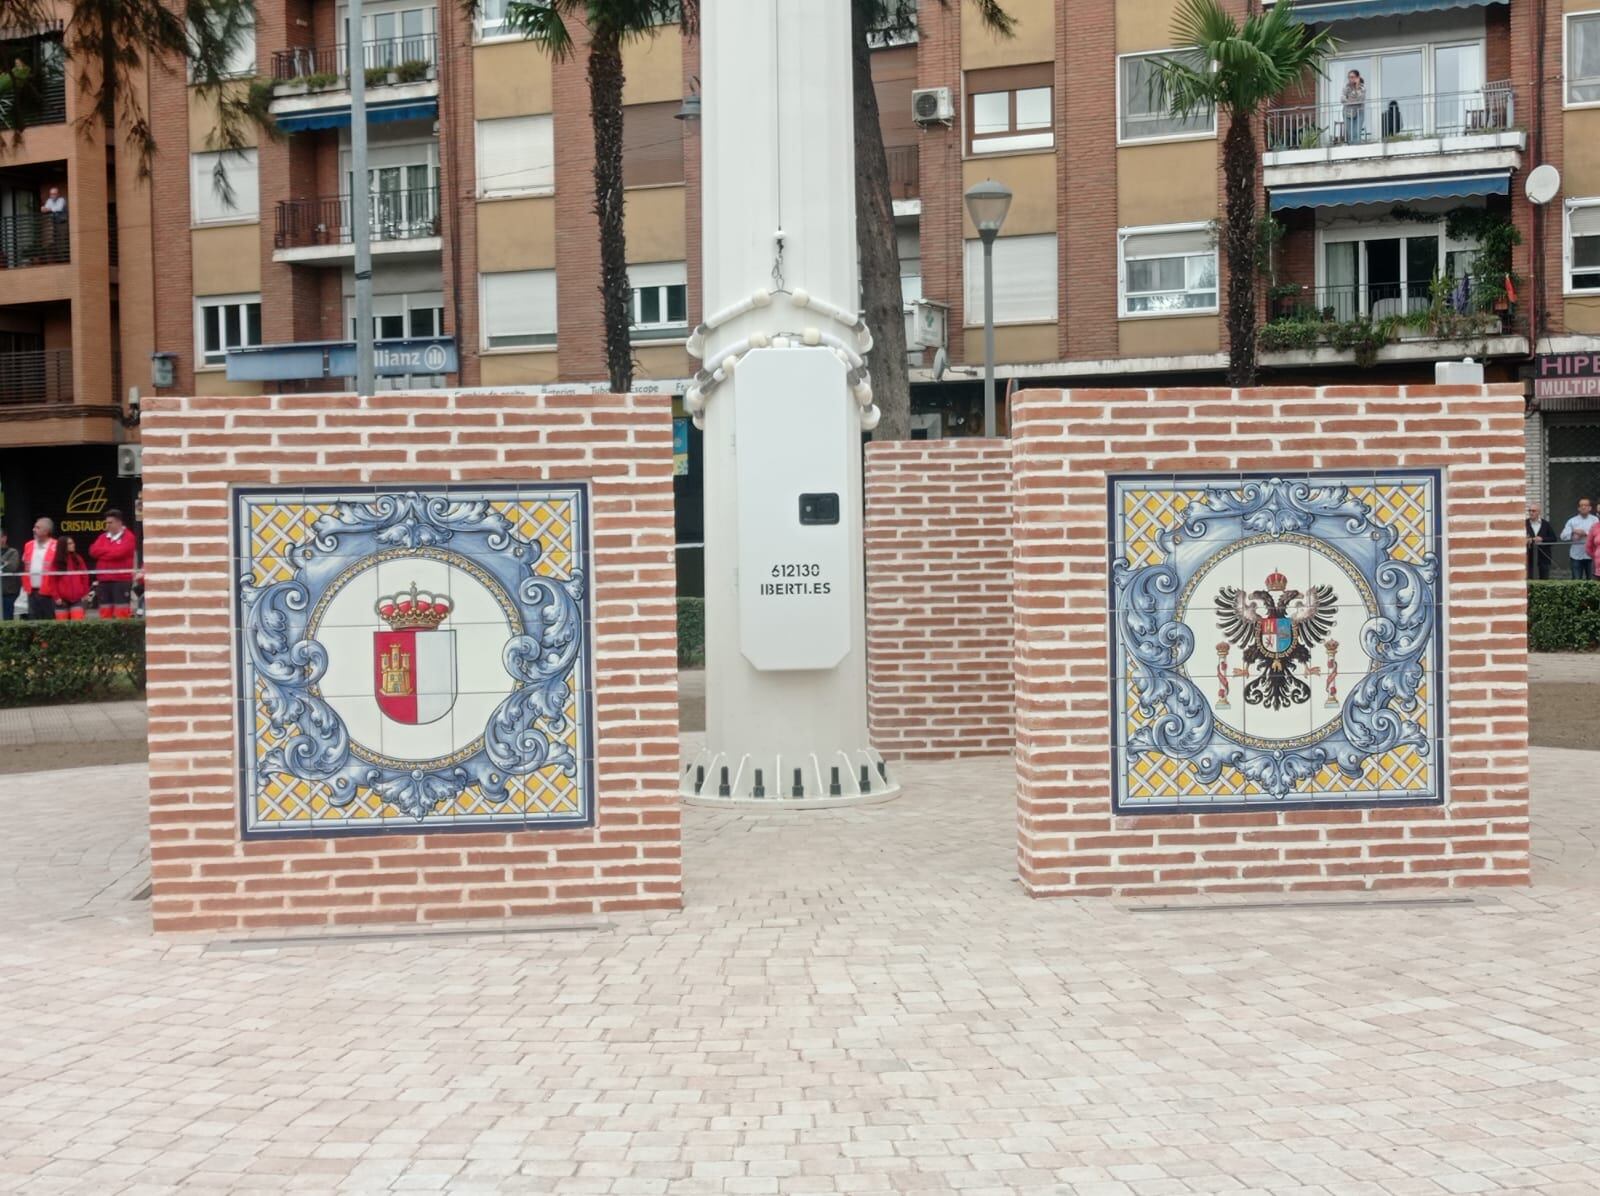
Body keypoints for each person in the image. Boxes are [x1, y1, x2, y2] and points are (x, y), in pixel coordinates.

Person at [89, 508, 138, 618]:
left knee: (122, 612)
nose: (107, 525)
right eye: (106, 523)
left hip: (121, 580)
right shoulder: (102, 537)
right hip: (104, 580)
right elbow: (92, 551)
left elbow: (119, 553)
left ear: (119, 522)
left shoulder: (129, 537)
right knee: (105, 611)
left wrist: (102, 554)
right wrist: (110, 552)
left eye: (110, 522)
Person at [19, 516, 58, 619]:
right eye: (34, 527)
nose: (34, 530)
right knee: (33, 620)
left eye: (37, 528)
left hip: (49, 592)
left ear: (46, 531)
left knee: (49, 621)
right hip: (31, 592)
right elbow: (25, 566)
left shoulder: (56, 546)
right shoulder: (28, 545)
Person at [51, 535, 91, 620]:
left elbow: (85, 577)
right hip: (61, 600)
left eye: (72, 543)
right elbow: (52, 581)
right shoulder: (56, 561)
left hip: (77, 599)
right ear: (63, 546)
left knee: (77, 624)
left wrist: (85, 593)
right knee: (61, 626)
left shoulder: (78, 559)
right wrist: (56, 597)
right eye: (70, 543)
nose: (73, 545)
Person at [1560, 497, 1598, 581]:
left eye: (1585, 505)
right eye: (1581, 505)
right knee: (1576, 581)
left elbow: (1598, 534)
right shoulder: (1572, 521)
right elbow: (1563, 536)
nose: (1583, 507)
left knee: (1592, 581)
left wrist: (1585, 533)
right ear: (1578, 508)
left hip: (1591, 556)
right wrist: (1573, 533)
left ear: (1590, 508)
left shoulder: (1595, 520)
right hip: (1576, 556)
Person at [1526, 504, 1554, 580]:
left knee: (1544, 579)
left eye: (1533, 511)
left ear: (1539, 512)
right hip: (1529, 557)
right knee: (1529, 579)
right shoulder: (1524, 523)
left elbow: (1553, 539)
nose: (1531, 513)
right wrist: (1525, 540)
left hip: (1543, 557)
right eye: (1529, 511)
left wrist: (1542, 539)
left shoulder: (1545, 524)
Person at [1342, 69, 1367, 144]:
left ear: (1357, 77)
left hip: (1359, 112)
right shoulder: (1346, 87)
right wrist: (1354, 100)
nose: (1350, 79)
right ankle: (1352, 148)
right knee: (1350, 134)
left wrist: (1356, 87)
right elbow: (1342, 99)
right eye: (1349, 77)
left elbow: (1361, 99)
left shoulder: (1362, 88)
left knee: (1356, 132)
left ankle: (1357, 148)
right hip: (1347, 112)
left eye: (1352, 77)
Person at [0, 529, 19, 620]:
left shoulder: (12, 552)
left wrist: (3, 562)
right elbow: (5, 565)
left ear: (4, 538)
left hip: (7, 593)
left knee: (7, 619)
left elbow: (12, 567)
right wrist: (5, 563)